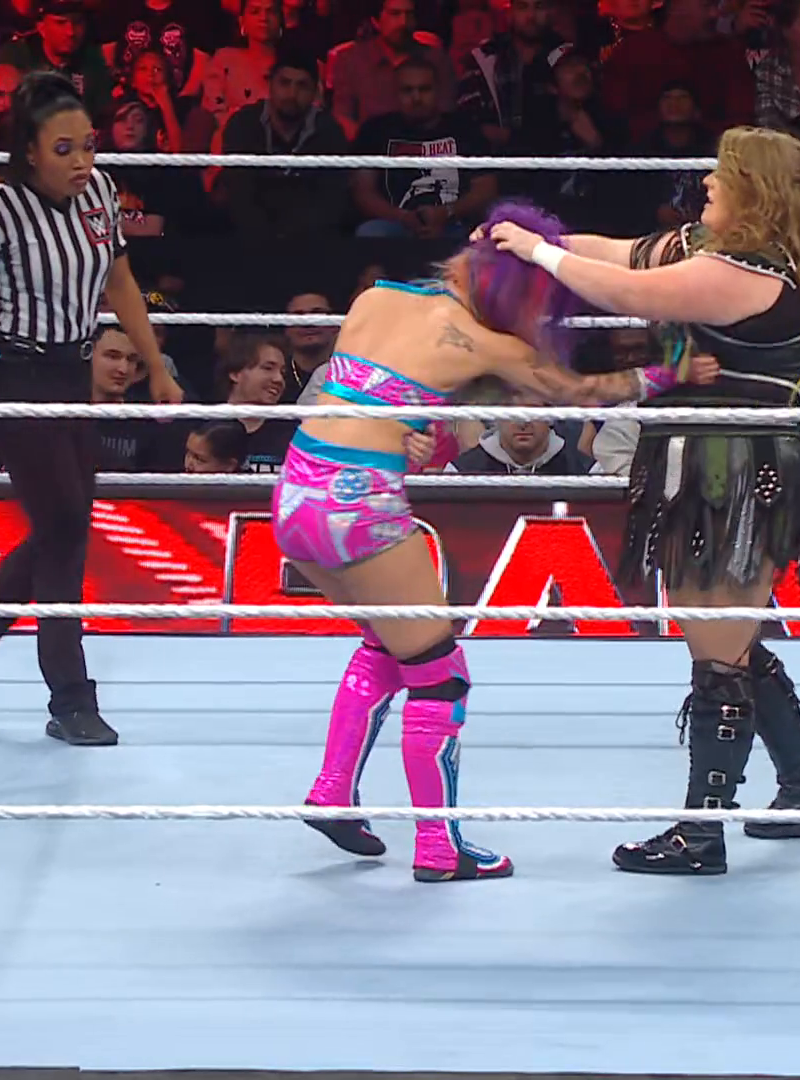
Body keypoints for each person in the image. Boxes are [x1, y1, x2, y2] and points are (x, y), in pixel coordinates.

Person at [285, 200, 718, 884]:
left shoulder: (373, 299)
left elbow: (372, 399)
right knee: (440, 673)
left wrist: (417, 438)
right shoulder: (492, 344)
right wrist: (672, 375)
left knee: (386, 642)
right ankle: (439, 848)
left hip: (295, 491)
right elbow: (582, 391)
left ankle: (333, 792)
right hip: (359, 502)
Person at [488, 125, 800, 876]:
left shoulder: (745, 274)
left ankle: (701, 832)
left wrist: (536, 255)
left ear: (753, 191)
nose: (708, 183)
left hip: (737, 467)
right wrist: (531, 237)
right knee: (726, 637)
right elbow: (620, 254)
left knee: (718, 650)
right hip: (714, 461)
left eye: (722, 174)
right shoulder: (711, 253)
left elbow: (628, 293)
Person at [0, 72, 184, 748]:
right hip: (15, 376)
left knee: (66, 525)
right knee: (62, 526)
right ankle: (70, 696)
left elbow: (120, 281)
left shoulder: (101, 193)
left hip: (71, 375)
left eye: (88, 145)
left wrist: (156, 367)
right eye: (64, 149)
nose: (81, 161)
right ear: (29, 150)